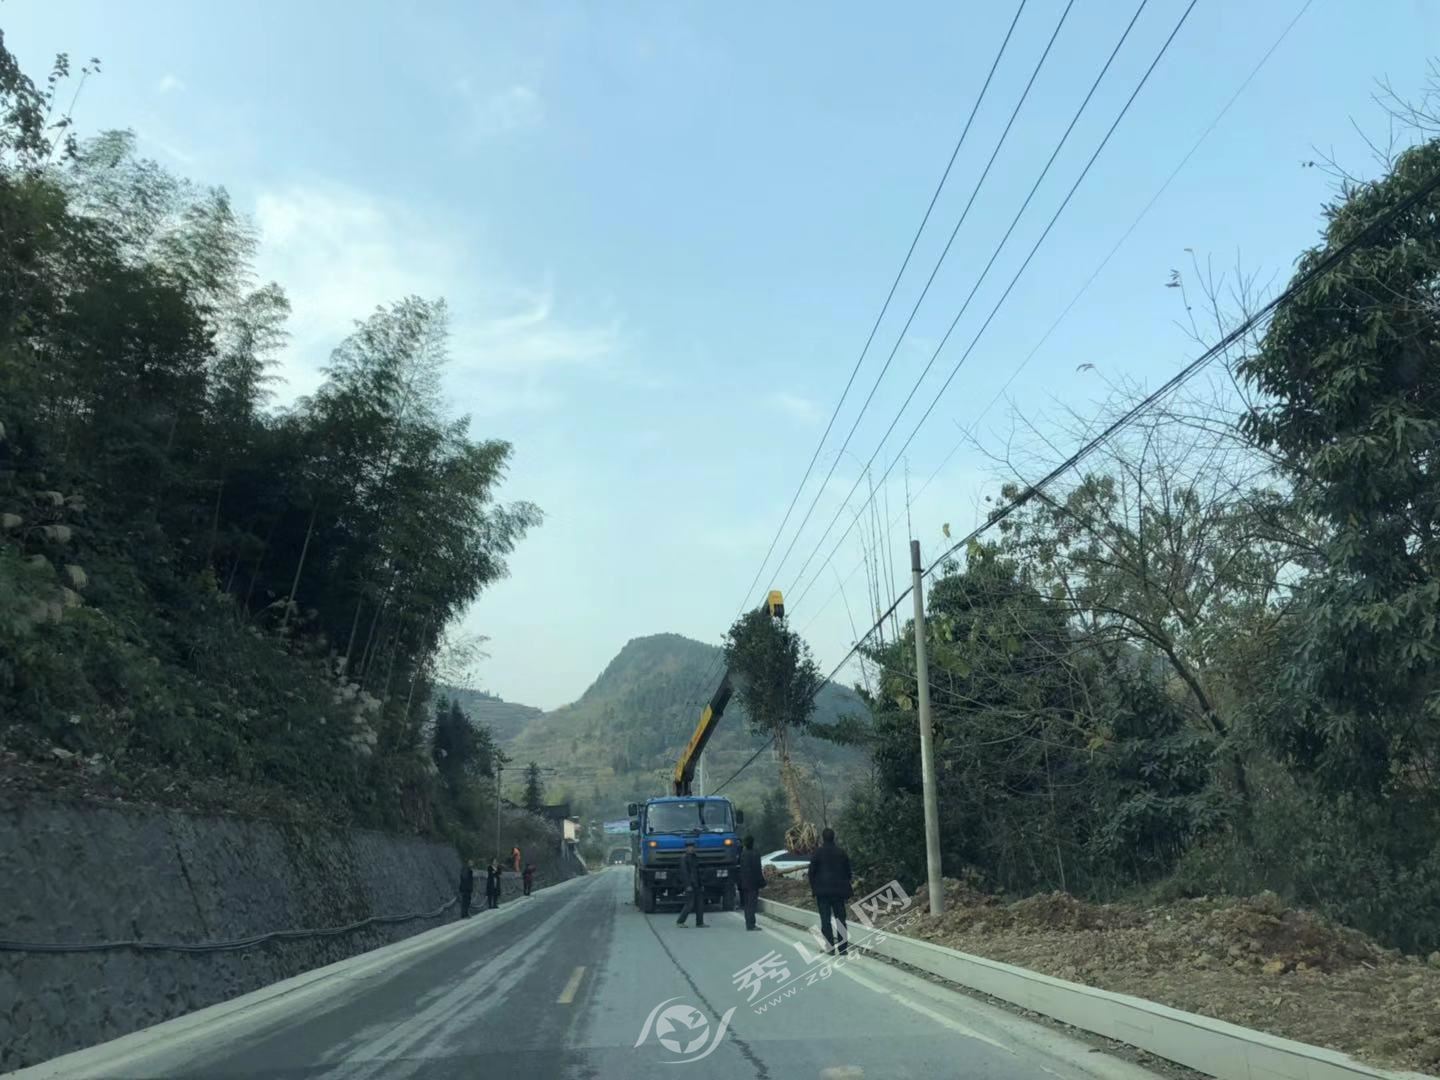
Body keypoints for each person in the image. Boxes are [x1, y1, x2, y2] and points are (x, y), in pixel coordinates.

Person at [807, 827, 853, 956]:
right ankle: (843, 948)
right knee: (841, 919)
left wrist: (814, 888)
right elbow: (848, 872)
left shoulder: (817, 853)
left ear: (823, 838)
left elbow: (811, 873)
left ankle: (830, 948)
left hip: (822, 893)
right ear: (834, 837)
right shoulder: (841, 852)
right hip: (839, 892)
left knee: (825, 920)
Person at [674, 840, 707, 928]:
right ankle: (680, 921)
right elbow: (684, 873)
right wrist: (688, 885)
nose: (691, 849)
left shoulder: (695, 857)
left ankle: (700, 922)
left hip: (697, 884)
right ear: (686, 848)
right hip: (690, 884)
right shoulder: (683, 858)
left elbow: (698, 872)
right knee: (689, 904)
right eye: (689, 847)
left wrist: (701, 884)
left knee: (700, 904)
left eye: (692, 847)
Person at [737, 835, 765, 931]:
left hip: (744, 883)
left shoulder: (743, 854)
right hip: (753, 883)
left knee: (747, 904)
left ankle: (748, 923)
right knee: (752, 904)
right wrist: (762, 882)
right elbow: (757, 870)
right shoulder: (755, 854)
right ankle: (751, 925)